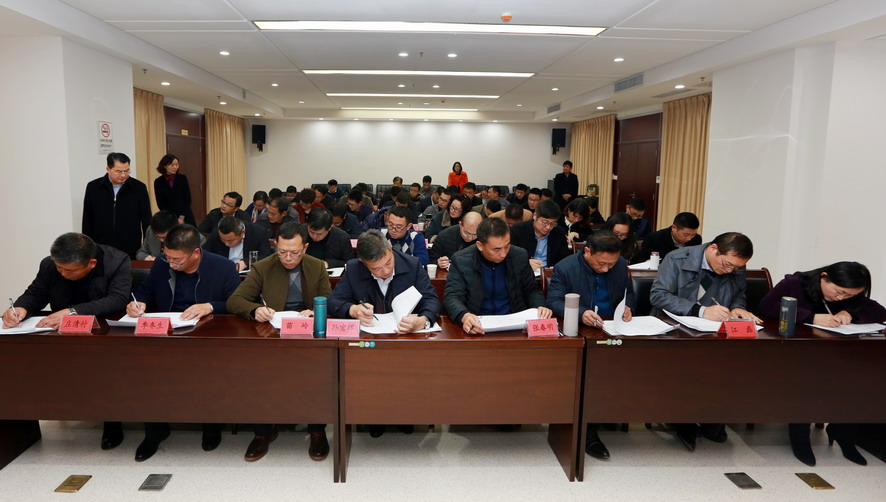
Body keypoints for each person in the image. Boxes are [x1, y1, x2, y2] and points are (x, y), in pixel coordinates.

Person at [4, 232, 131, 450]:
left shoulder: (117, 261)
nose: (62, 273)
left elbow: (117, 299)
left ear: (91, 263)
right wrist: (20, 308)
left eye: (69, 270)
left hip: (103, 333)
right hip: (62, 333)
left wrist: (73, 312)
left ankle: (112, 421)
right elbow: (36, 293)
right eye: (59, 268)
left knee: (106, 371)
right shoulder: (49, 265)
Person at [126, 224, 239, 462]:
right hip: (167, 335)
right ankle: (155, 431)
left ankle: (210, 426)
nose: (171, 263)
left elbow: (238, 303)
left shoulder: (223, 267)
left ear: (195, 253)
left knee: (207, 373)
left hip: (207, 337)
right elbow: (145, 290)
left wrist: (211, 306)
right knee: (145, 372)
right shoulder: (162, 264)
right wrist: (138, 303)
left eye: (177, 260)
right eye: (167, 257)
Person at [759, 261, 886, 466]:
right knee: (810, 376)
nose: (841, 298)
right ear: (824, 277)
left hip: (834, 355)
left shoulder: (849, 296)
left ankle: (843, 431)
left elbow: (880, 311)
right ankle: (800, 435)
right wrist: (811, 317)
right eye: (839, 292)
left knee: (862, 375)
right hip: (794, 354)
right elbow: (766, 306)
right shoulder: (795, 284)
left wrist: (850, 313)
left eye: (848, 295)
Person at [226, 222, 332, 462]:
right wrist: (255, 310)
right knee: (259, 376)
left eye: (294, 252)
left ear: (305, 248)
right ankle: (263, 432)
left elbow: (329, 299)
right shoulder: (263, 267)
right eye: (282, 252)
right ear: (276, 246)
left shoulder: (316, 266)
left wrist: (316, 311)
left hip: (308, 338)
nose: (288, 258)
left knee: (319, 374)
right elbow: (235, 300)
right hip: (273, 337)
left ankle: (317, 430)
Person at [649, 232, 760, 452]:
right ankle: (683, 419)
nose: (730, 271)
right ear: (713, 249)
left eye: (736, 268)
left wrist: (738, 308)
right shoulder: (676, 258)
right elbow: (658, 296)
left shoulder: (735, 265)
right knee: (689, 365)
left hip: (714, 332)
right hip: (675, 330)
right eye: (727, 265)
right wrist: (699, 311)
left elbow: (739, 294)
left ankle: (711, 415)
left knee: (729, 366)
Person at [546, 231, 634, 461]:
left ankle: (608, 412)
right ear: (587, 251)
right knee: (589, 374)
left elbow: (629, 292)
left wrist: (628, 306)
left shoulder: (620, 265)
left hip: (613, 328)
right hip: (580, 331)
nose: (606, 269)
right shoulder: (566, 268)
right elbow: (553, 301)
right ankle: (588, 430)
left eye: (611, 264)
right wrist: (581, 312)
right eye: (601, 263)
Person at [444, 217, 551, 333]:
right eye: (496, 249)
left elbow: (532, 290)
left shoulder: (519, 255)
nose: (503, 254)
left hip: (515, 323)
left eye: (507, 246)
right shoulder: (461, 260)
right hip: (478, 323)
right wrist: (464, 315)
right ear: (480, 245)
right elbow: (452, 296)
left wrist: (540, 306)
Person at [82, 152, 152, 259]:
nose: (123, 175)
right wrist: (87, 247)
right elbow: (87, 219)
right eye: (118, 171)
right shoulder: (94, 187)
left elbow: (146, 218)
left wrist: (147, 249)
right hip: (101, 246)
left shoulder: (139, 188)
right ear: (108, 169)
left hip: (130, 247)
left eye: (127, 171)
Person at [510, 200, 570, 271]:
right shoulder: (517, 231)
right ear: (535, 216)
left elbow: (564, 259)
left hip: (550, 274)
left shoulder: (559, 233)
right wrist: (525, 263)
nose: (548, 227)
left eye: (553, 224)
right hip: (525, 272)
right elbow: (510, 258)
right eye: (545, 222)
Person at [202, 216, 272, 271]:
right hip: (223, 274)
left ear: (243, 232)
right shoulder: (216, 233)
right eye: (223, 240)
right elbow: (204, 254)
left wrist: (246, 262)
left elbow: (266, 256)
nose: (226, 244)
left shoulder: (258, 232)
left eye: (230, 241)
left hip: (248, 276)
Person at [633, 212, 702, 264]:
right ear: (674, 228)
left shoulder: (696, 240)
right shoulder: (654, 239)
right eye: (686, 234)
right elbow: (640, 262)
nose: (689, 239)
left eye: (693, 235)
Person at [137, 210, 206, 261]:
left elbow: (201, 261)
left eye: (164, 237)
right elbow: (141, 253)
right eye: (157, 236)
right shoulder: (150, 231)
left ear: (176, 229)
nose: (162, 240)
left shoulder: (195, 238)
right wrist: (146, 258)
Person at [153, 154, 196, 225]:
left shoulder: (182, 178)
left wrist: (181, 217)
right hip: (168, 217)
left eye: (177, 165)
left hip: (185, 215)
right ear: (164, 166)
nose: (175, 167)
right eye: (172, 165)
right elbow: (160, 203)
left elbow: (187, 200)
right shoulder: (158, 181)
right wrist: (172, 218)